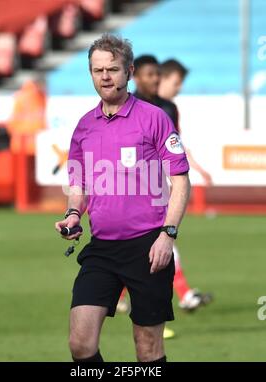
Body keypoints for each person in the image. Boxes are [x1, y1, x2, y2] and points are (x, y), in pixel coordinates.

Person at [55, 34, 190, 362]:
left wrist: (167, 235)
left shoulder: (155, 118)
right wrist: (74, 213)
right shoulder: (84, 126)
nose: (104, 76)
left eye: (112, 69)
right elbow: (80, 183)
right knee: (80, 344)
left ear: (128, 71)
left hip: (148, 248)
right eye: (97, 70)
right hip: (101, 249)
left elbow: (181, 181)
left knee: (148, 349)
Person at [116, 55, 212, 339]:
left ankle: (149, 306)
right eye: (150, 74)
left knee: (158, 246)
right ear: (136, 76)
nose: (155, 80)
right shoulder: (127, 107)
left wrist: (189, 173)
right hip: (134, 190)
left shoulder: (168, 109)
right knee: (155, 248)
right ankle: (166, 306)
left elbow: (175, 149)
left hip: (160, 189)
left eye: (158, 74)